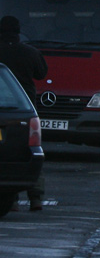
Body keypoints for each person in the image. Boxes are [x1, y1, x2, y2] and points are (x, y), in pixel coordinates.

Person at [0, 15, 48, 211]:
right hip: (23, 108)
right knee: (29, 151)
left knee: (8, 155)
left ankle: (11, 200)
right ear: (18, 31)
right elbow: (41, 73)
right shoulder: (30, 53)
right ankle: (35, 197)